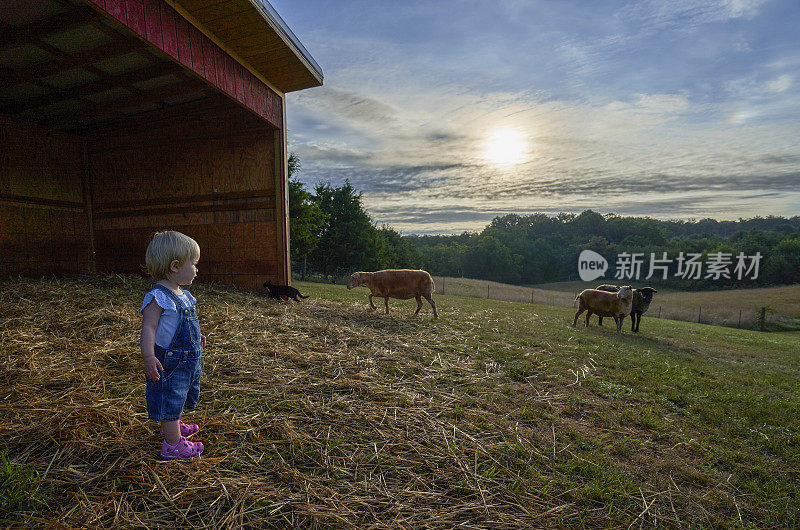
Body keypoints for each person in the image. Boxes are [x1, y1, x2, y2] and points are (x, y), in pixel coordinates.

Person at [140, 231, 206, 459]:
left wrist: (198, 336)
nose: (197, 270)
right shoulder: (158, 296)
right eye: (194, 264)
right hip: (169, 361)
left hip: (188, 359)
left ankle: (174, 424)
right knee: (170, 395)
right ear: (176, 266)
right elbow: (149, 328)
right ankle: (173, 444)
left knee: (179, 394)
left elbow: (185, 324)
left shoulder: (184, 295)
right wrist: (149, 356)